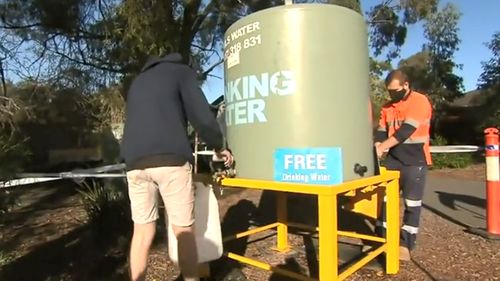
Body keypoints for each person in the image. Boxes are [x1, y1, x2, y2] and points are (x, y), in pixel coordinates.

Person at [120, 52, 233, 281]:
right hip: (169, 160)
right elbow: (201, 115)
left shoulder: (138, 82)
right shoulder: (180, 72)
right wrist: (219, 146)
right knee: (183, 230)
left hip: (134, 163)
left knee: (142, 232)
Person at [374, 69, 432, 261]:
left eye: (396, 90)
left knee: (412, 204)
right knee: (385, 201)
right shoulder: (387, 106)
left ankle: (405, 243)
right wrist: (377, 144)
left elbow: (406, 130)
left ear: (406, 85)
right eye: (389, 91)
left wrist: (382, 146)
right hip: (394, 159)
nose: (393, 95)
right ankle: (382, 239)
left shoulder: (419, 101)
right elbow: (382, 130)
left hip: (415, 159)